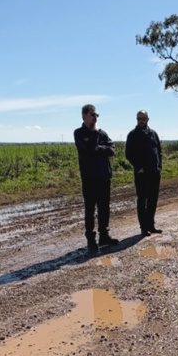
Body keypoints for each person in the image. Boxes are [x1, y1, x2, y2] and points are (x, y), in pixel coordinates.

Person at [74, 104, 119, 251]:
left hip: (104, 177)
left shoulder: (103, 133)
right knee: (90, 210)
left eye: (96, 115)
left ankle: (104, 236)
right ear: (84, 116)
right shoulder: (79, 133)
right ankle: (91, 240)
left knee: (104, 208)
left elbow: (112, 150)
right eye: (93, 114)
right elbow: (88, 150)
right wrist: (100, 146)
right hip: (89, 179)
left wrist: (100, 148)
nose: (95, 117)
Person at [125, 110, 163, 236]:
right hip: (142, 174)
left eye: (143, 118)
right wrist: (139, 167)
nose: (141, 120)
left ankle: (151, 225)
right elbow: (128, 154)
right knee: (142, 200)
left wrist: (159, 166)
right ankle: (143, 228)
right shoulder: (133, 135)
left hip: (154, 172)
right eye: (138, 118)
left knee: (153, 199)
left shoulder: (153, 133)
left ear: (148, 119)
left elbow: (159, 150)